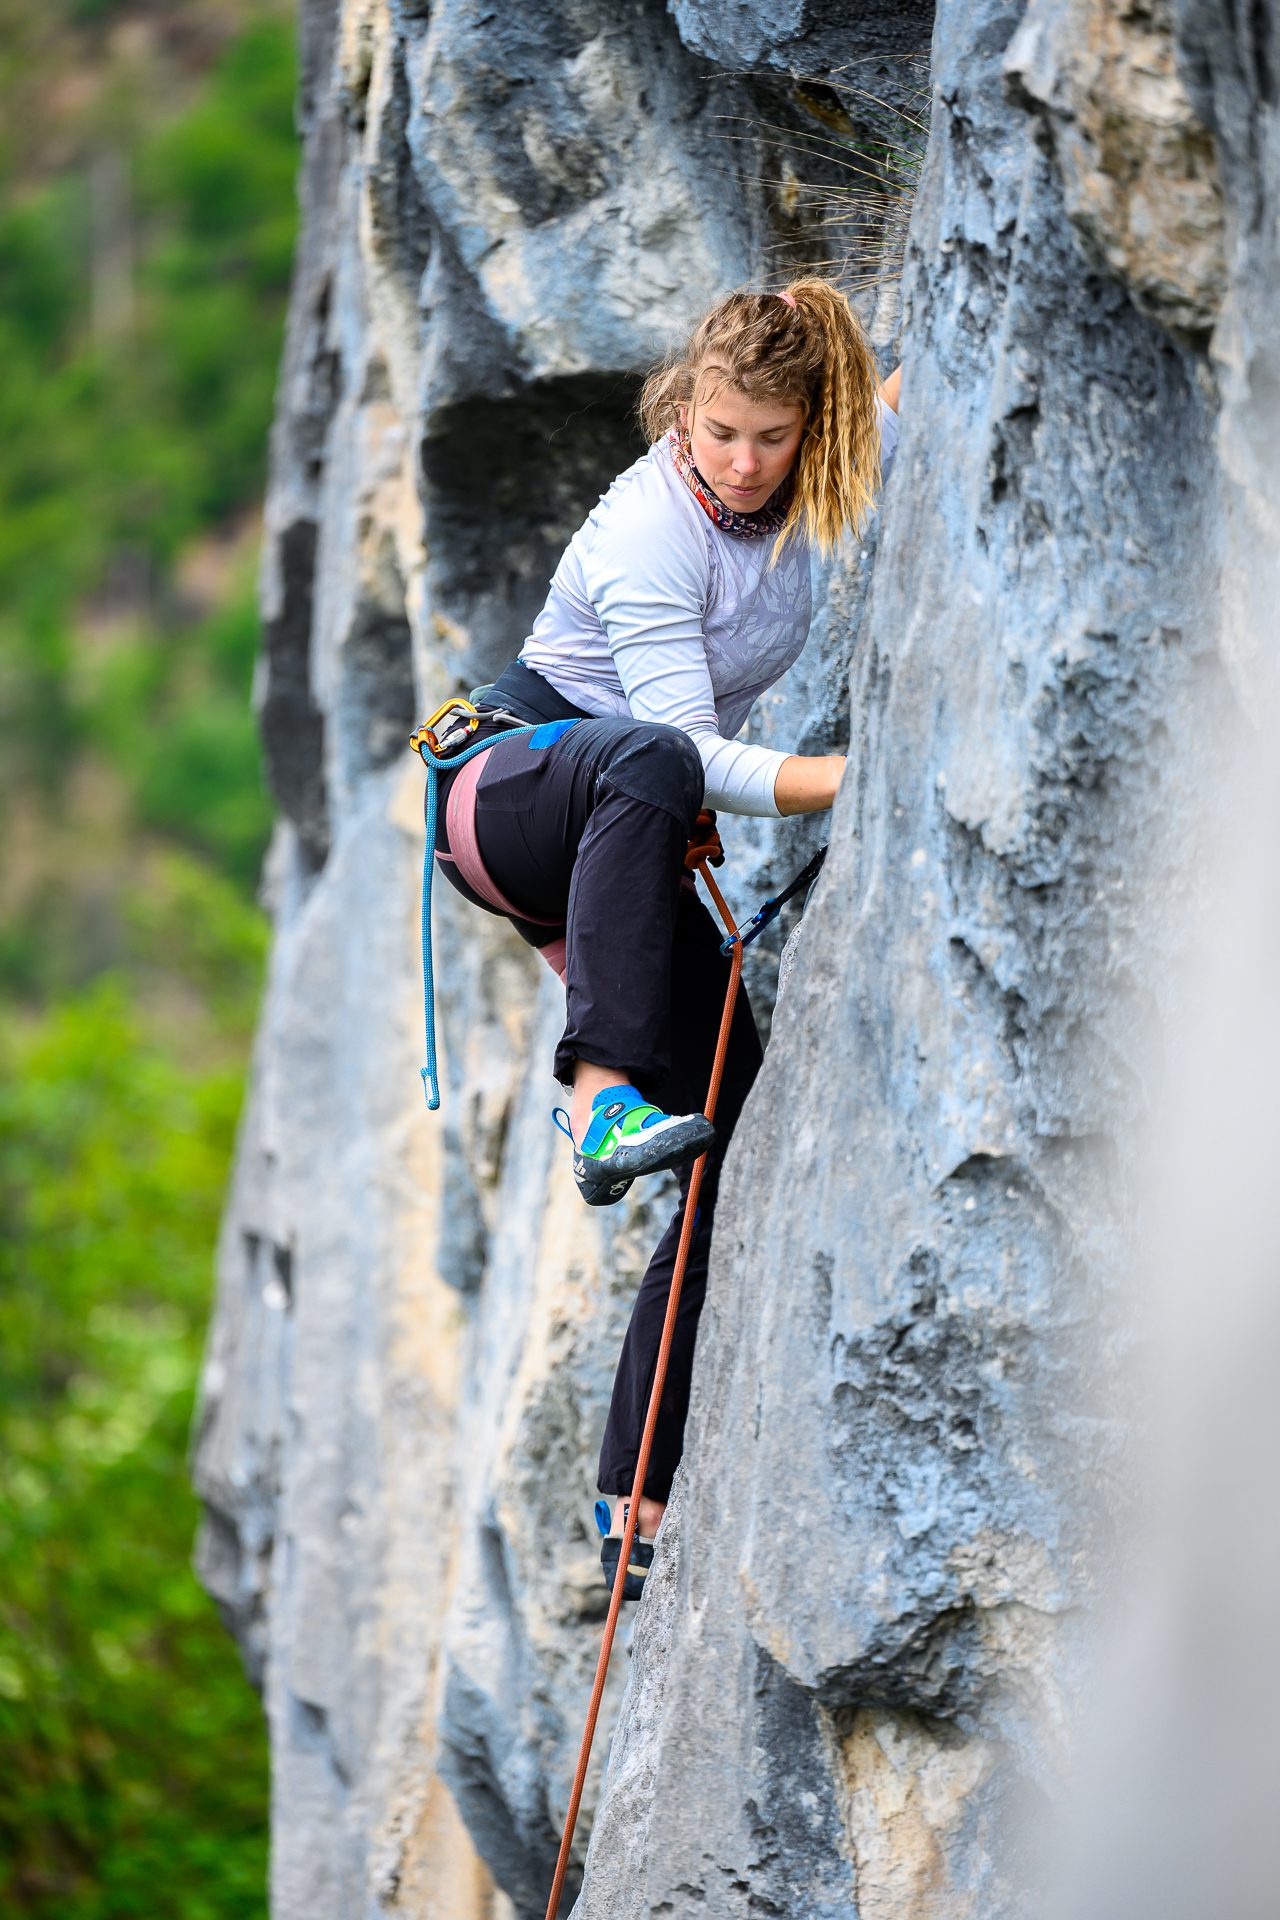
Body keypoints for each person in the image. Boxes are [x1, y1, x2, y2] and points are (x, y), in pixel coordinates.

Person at [433, 278, 901, 1596]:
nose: (745, 462)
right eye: (720, 431)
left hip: (611, 831)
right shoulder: (651, 530)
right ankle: (596, 1096)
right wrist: (846, 778)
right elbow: (686, 756)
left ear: (816, 425)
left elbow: (913, 409)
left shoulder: (815, 473)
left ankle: (632, 1482)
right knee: (642, 754)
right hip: (510, 795)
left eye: (773, 434)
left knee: (724, 1131)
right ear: (682, 413)